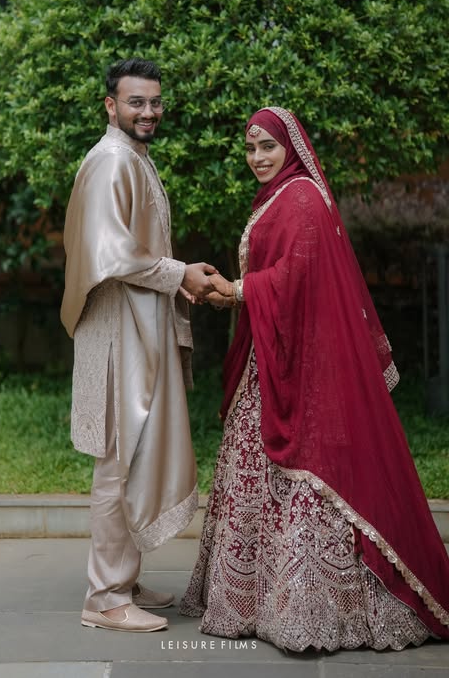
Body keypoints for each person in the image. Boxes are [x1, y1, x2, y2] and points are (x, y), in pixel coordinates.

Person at [180, 106, 449, 651]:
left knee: (310, 475)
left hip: (304, 369)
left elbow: (296, 276)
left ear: (291, 148)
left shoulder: (300, 196)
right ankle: (260, 600)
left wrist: (233, 291)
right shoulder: (279, 196)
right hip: (274, 357)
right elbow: (273, 279)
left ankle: (316, 608)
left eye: (267, 148)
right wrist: (227, 292)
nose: (257, 158)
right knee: (262, 478)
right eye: (251, 149)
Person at [60, 57, 217, 633]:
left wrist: (181, 273)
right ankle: (103, 598)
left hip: (138, 320)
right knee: (117, 458)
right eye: (136, 102)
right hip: (118, 325)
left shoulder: (134, 158)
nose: (148, 111)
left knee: (136, 449)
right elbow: (116, 255)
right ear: (111, 106)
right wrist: (182, 276)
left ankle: (122, 577)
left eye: (154, 101)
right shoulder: (110, 162)